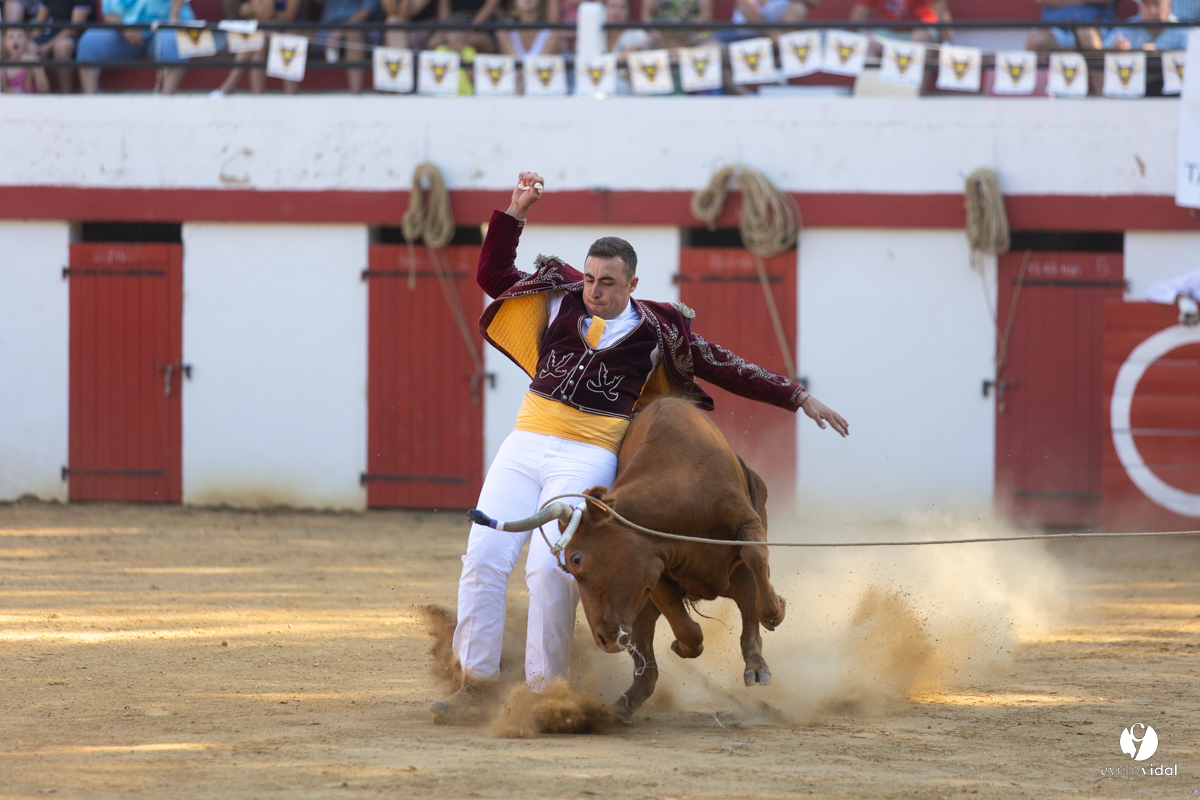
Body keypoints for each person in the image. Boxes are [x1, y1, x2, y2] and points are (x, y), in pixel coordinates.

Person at [430, 171, 849, 720]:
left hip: (588, 456)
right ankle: (476, 683)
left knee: (552, 569)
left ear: (631, 284)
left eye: (607, 281)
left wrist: (798, 398)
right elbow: (492, 274)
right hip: (526, 442)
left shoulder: (659, 331)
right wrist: (515, 213)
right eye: (589, 278)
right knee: (484, 555)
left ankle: (544, 691)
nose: (594, 289)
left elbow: (728, 367)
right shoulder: (562, 300)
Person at [76, 0, 194, 94]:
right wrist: (125, 30)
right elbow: (109, 14)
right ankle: (91, 102)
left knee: (173, 42)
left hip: (161, 28)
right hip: (125, 33)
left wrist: (174, 15)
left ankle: (166, 103)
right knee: (89, 42)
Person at [212, 0, 302, 95]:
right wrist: (264, 12)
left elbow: (288, 18)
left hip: (292, 32)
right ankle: (257, 97)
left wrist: (254, 10)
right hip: (266, 32)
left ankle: (291, 97)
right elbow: (264, 15)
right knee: (259, 44)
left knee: (290, 39)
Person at [32, 0, 96, 93]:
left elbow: (75, 27)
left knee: (61, 48)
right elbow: (39, 26)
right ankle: (32, 94)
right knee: (30, 47)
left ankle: (65, 95)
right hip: (55, 32)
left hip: (82, 34)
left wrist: (48, 46)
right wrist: (29, 43)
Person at [320, 0, 379, 94]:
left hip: (359, 27)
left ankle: (355, 97)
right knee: (294, 34)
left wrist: (342, 29)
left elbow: (367, 9)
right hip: (324, 29)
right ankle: (290, 99)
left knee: (353, 33)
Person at [849, 0, 952, 45]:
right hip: (890, 32)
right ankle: (872, 89)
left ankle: (916, 90)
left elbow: (942, 14)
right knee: (868, 42)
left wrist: (947, 42)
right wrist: (847, 38)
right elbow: (859, 14)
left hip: (923, 32)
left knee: (921, 36)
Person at [1026, 0, 1115, 51]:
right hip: (1055, 28)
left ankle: (1100, 83)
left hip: (1095, 27)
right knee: (1037, 40)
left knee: (1087, 38)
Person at [1104, 0, 1188, 51]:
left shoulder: (1182, 30)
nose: (1152, 11)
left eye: (1156, 4)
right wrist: (1114, 47)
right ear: (1139, 6)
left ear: (1169, 6)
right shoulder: (1128, 28)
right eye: (1146, 4)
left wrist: (1158, 55)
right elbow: (1104, 46)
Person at [1, 26, 50, 92]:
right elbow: (3, 92)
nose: (15, 40)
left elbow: (45, 90)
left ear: (27, 40)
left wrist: (36, 66)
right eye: (11, 37)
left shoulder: (33, 61)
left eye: (20, 37)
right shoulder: (3, 66)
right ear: (5, 42)